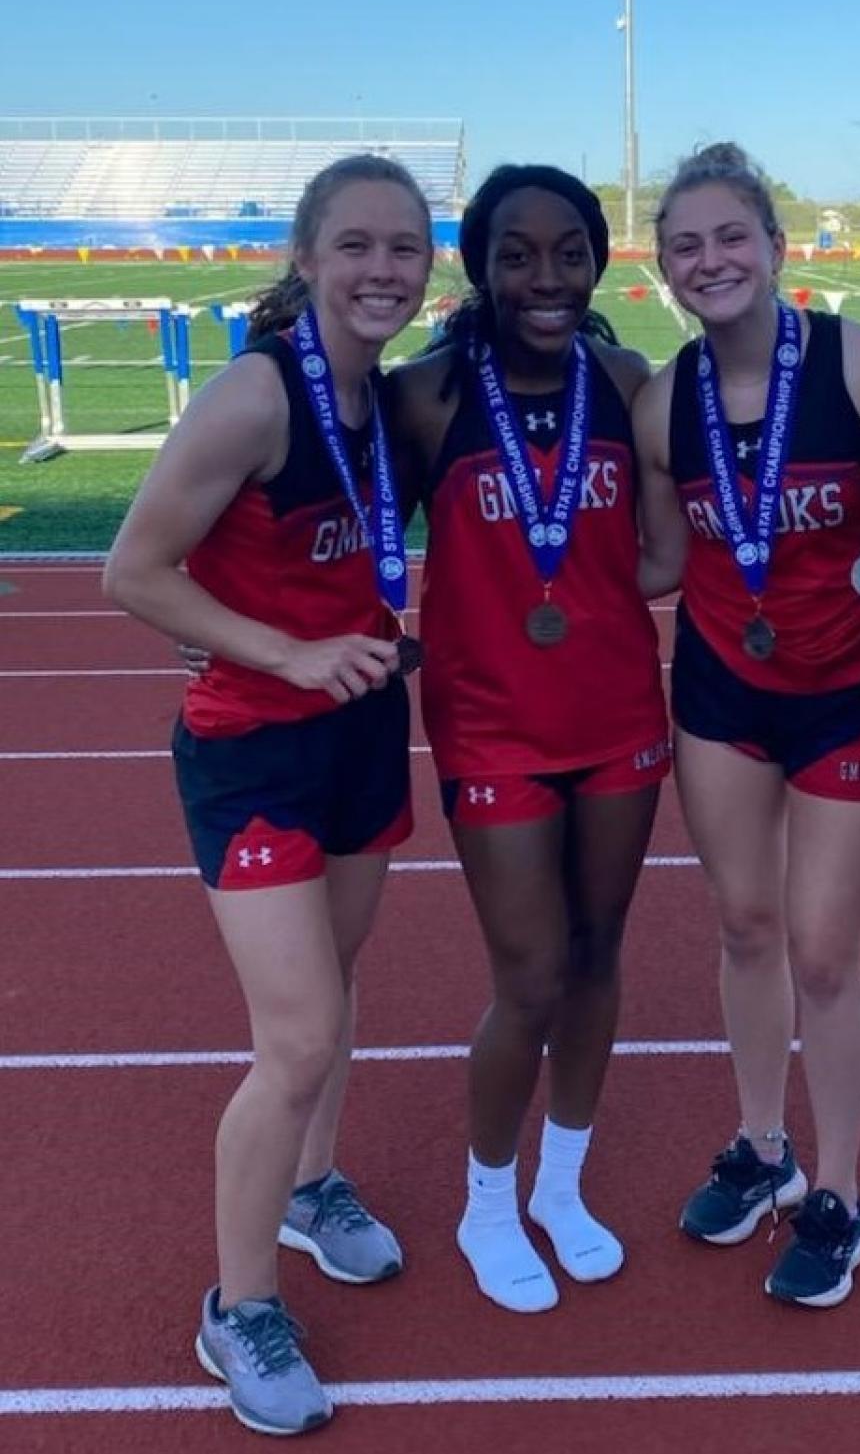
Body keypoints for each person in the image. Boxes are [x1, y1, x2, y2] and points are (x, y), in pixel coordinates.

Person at [103, 154, 433, 1436]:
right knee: (294, 1033)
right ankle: (238, 1306)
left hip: (358, 731)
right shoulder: (256, 395)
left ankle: (313, 1185)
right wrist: (285, 650)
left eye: (403, 249)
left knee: (336, 992)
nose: (380, 271)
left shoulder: (379, 399)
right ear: (307, 257)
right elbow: (135, 571)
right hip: (253, 746)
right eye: (354, 246)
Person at [387, 166, 669, 1314]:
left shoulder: (627, 378)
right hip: (492, 726)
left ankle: (563, 1183)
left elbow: (670, 547)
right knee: (532, 972)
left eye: (568, 252)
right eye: (516, 253)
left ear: (599, 261)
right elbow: (349, 535)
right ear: (480, 264)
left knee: (599, 953)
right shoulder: (427, 397)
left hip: (615, 717)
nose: (544, 276)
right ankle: (487, 1200)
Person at [635, 143, 860, 1307]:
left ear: (776, 246)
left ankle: (838, 1191)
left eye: (729, 237)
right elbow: (654, 560)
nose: (711, 261)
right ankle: (764, 1146)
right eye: (686, 246)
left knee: (821, 950)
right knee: (745, 924)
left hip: (847, 695)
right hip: (720, 695)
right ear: (664, 270)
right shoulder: (661, 402)